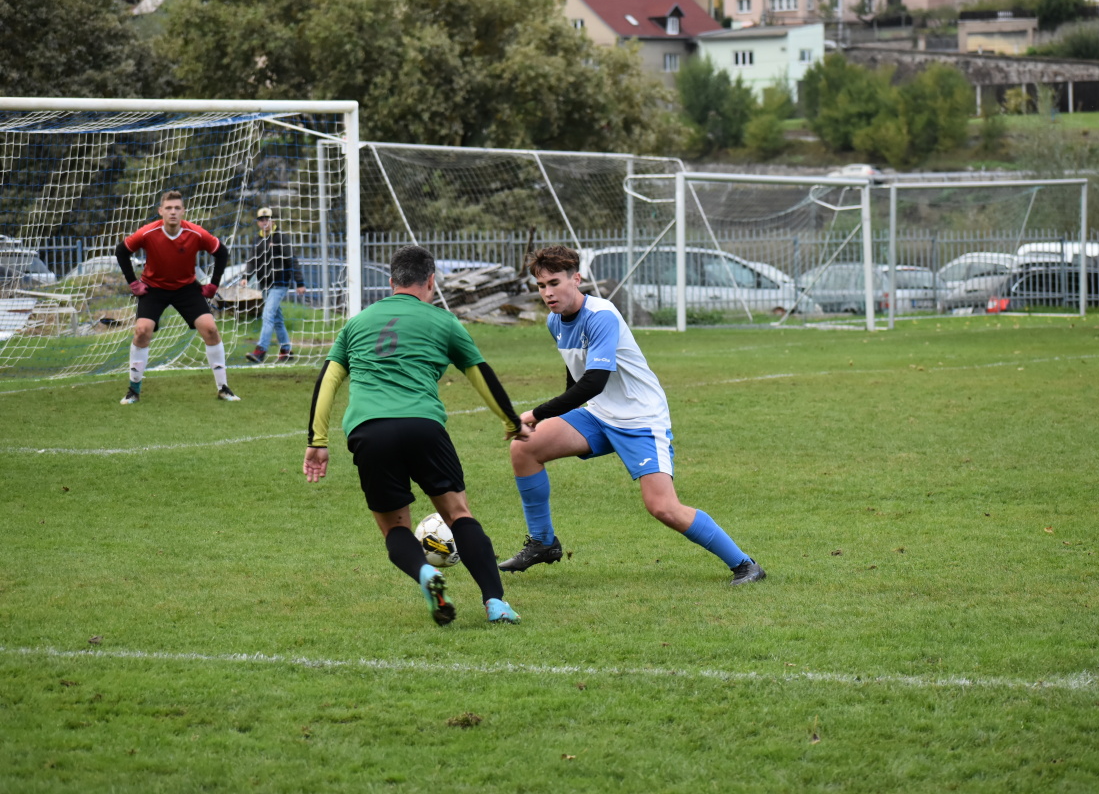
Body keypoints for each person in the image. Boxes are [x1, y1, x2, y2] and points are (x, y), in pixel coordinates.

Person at [500, 245, 766, 586]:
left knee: (662, 507)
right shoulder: (556, 321)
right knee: (524, 448)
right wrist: (556, 417)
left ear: (576, 279)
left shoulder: (601, 316)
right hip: (599, 415)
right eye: (541, 286)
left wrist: (537, 414)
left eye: (554, 283)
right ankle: (543, 543)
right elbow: (576, 371)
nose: (547, 293)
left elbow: (594, 381)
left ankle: (746, 565)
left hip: (640, 419)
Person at [303, 244, 530, 626]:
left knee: (395, 527)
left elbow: (328, 380)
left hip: (369, 430)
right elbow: (481, 375)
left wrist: (317, 441)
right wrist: (511, 421)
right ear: (431, 281)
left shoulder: (356, 323)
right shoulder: (444, 322)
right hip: (423, 426)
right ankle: (496, 603)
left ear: (391, 282)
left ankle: (426, 573)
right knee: (458, 514)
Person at [116, 190, 239, 405]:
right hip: (154, 288)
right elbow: (121, 251)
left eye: (177, 208)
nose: (172, 212)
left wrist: (213, 284)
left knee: (210, 329)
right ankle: (133, 390)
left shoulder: (195, 233)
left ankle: (223, 388)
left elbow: (221, 252)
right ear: (160, 211)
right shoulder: (147, 232)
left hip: (186, 288)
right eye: (168, 208)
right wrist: (133, 282)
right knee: (142, 331)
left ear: (183, 211)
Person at [243, 206, 306, 363]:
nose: (264, 222)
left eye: (267, 219)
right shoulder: (257, 240)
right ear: (258, 222)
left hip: (280, 283)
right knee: (277, 319)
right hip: (265, 285)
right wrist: (246, 277)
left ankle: (260, 351)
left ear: (273, 221)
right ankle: (286, 350)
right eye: (261, 220)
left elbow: (292, 259)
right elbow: (252, 261)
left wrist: (299, 282)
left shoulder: (281, 238)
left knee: (268, 315)